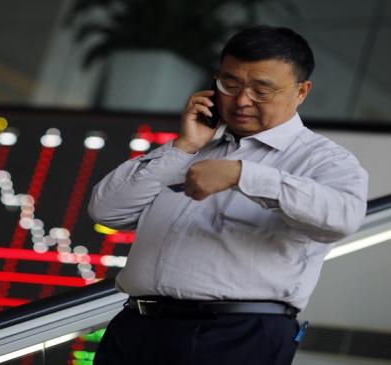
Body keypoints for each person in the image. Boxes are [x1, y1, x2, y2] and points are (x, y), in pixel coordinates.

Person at [88, 25, 368, 365]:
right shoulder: (195, 146)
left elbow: (343, 216)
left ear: (302, 92)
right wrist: (184, 147)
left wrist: (243, 175)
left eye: (262, 90)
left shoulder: (323, 159)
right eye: (229, 84)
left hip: (235, 335)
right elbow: (106, 210)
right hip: (135, 326)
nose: (241, 100)